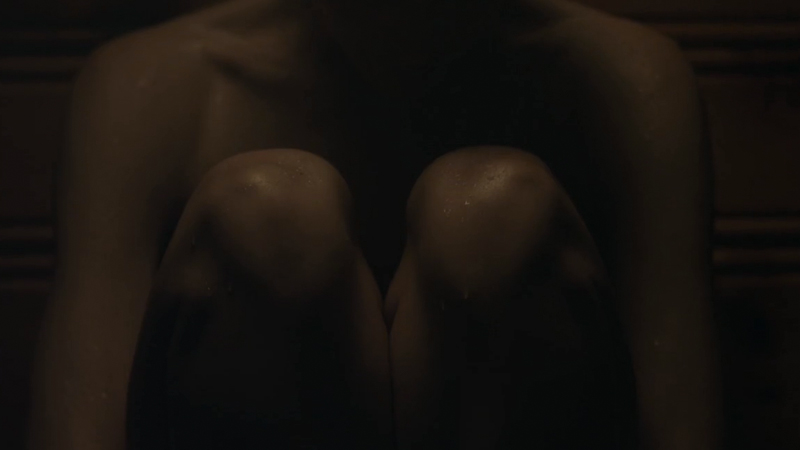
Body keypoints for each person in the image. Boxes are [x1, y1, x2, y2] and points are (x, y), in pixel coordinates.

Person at [28, 0, 722, 448]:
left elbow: (680, 422)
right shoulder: (159, 89)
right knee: (270, 213)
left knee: (491, 212)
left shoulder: (623, 82)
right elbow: (78, 426)